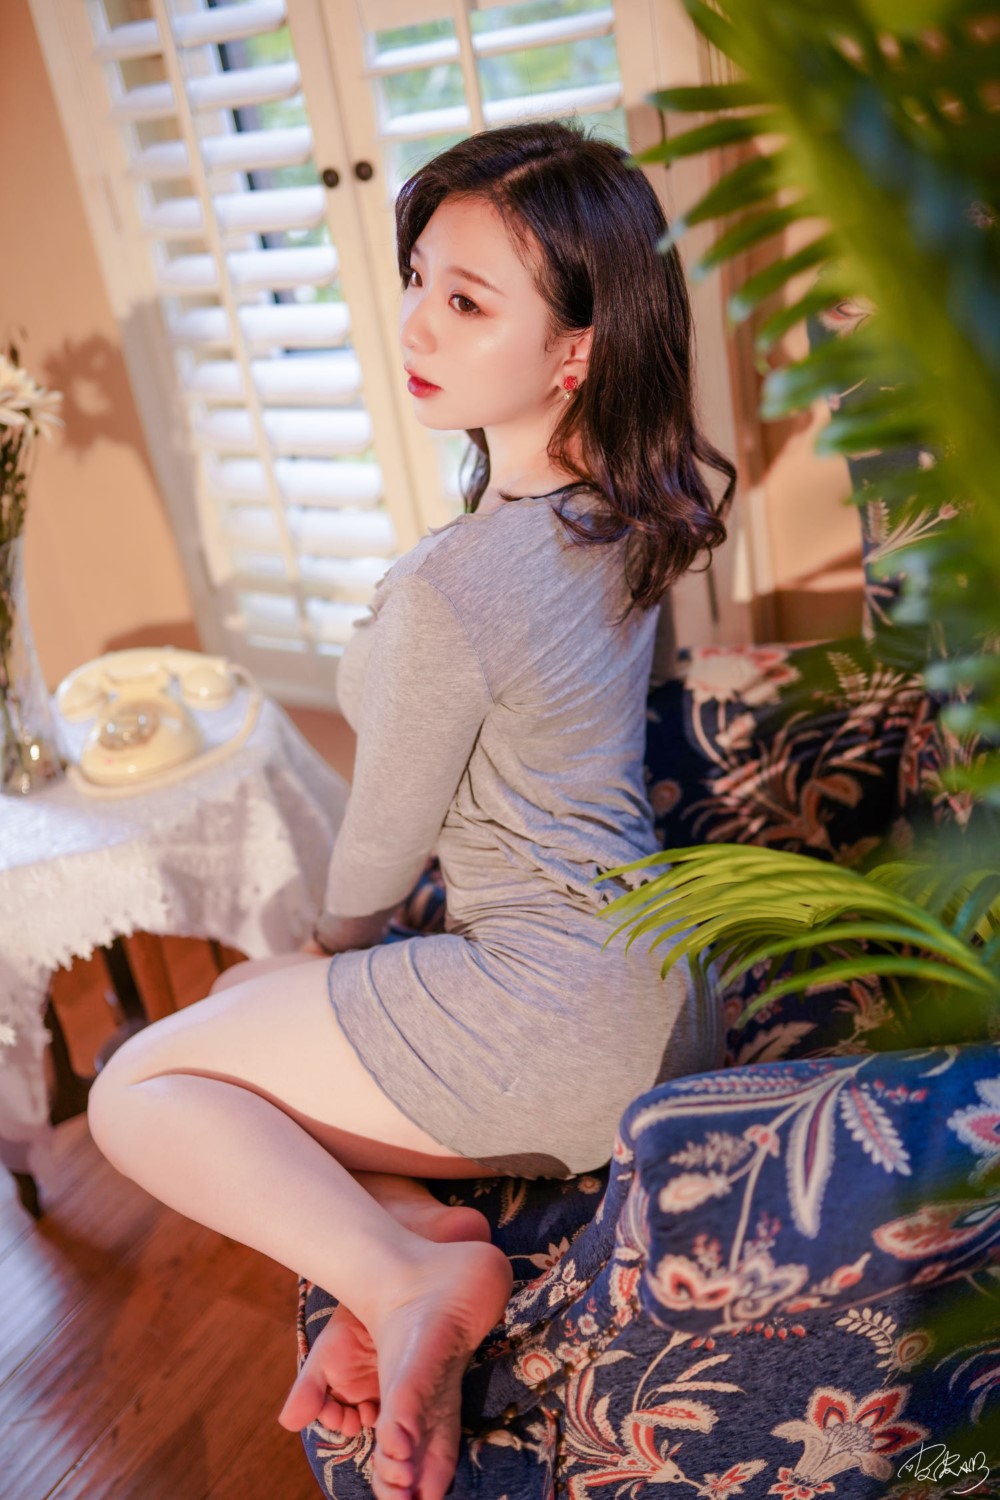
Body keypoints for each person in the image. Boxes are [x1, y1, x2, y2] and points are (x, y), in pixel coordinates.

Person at [85, 118, 736, 1500]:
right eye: (419, 279)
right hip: (666, 979)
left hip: (558, 1017)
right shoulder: (627, 509)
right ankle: (413, 1232)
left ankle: (404, 1282)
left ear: (576, 351)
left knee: (134, 1087)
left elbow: (383, 845)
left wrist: (328, 946)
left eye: (467, 300)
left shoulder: (456, 585)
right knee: (249, 1006)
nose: (416, 324)